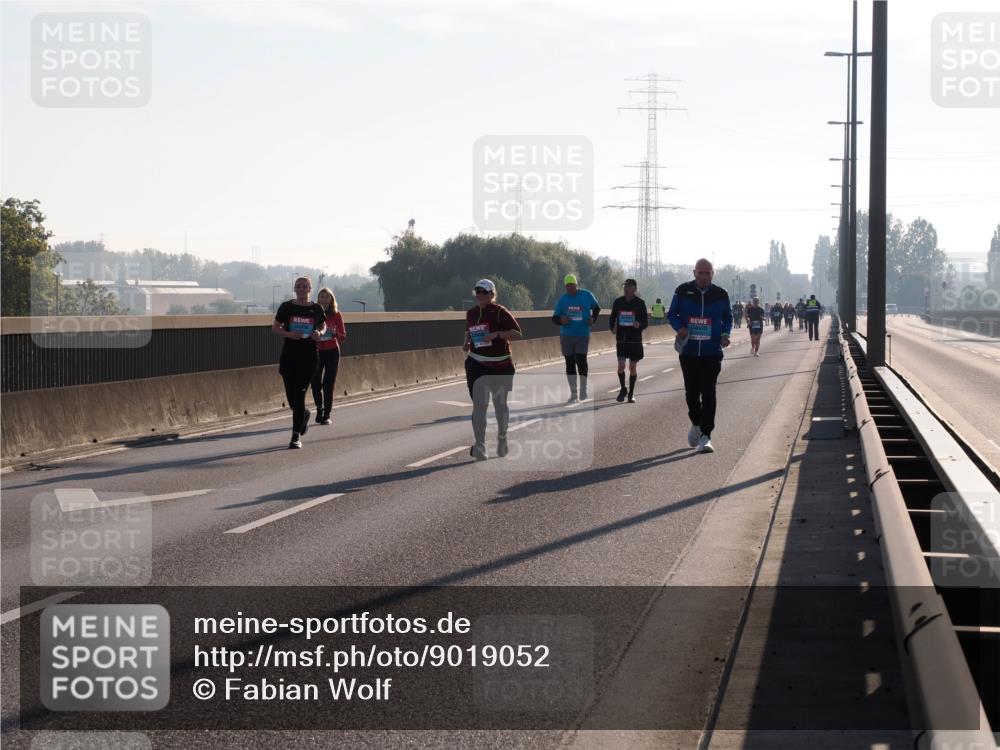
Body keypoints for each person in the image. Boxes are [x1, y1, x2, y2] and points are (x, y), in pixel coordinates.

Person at [667, 259, 732, 454]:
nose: (704, 276)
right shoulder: (682, 291)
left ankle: (706, 436)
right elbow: (672, 314)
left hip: (712, 352)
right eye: (701, 273)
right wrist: (681, 328)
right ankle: (696, 422)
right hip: (689, 352)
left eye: (708, 273)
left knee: (709, 391)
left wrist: (725, 334)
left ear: (713, 274)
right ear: (694, 272)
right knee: (692, 393)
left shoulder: (721, 294)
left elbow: (728, 317)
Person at [464, 279, 522, 460]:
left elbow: (517, 333)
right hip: (477, 364)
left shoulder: (500, 312)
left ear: (492, 294)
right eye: (477, 291)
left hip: (500, 365)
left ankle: (502, 438)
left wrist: (497, 334)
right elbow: (469, 331)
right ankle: (480, 445)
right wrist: (466, 342)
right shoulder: (471, 313)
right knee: (479, 406)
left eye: (483, 291)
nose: (479, 295)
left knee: (499, 406)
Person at [272, 277, 326, 448]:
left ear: (310, 289)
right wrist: (289, 335)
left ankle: (295, 437)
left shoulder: (316, 309)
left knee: (300, 394)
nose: (302, 289)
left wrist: (319, 332)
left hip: (309, 358)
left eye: (305, 286)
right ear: (294, 289)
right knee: (292, 399)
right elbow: (275, 327)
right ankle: (304, 414)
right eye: (299, 286)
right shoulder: (287, 307)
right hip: (289, 357)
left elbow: (323, 326)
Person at [551, 273, 600, 403]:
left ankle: (583, 388)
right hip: (567, 335)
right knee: (570, 363)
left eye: (571, 286)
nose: (569, 289)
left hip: (582, 334)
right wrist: (561, 320)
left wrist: (592, 319)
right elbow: (554, 318)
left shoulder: (586, 295)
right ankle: (573, 393)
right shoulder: (563, 300)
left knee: (581, 360)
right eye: (567, 286)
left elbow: (597, 308)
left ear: (576, 285)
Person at [311, 287, 347, 425]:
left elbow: (343, 337)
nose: (324, 299)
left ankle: (326, 414)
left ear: (331, 299)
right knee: (315, 384)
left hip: (332, 352)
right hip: (317, 351)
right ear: (318, 299)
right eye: (321, 296)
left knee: (328, 384)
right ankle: (319, 408)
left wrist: (334, 333)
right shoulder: (313, 313)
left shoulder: (337, 315)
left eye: (327, 297)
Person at [610, 278, 648, 403]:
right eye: (625, 286)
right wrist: (612, 328)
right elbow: (612, 317)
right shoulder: (618, 302)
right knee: (621, 366)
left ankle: (631, 394)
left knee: (632, 367)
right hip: (621, 339)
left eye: (629, 286)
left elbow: (645, 322)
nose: (626, 289)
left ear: (635, 289)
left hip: (635, 340)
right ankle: (623, 389)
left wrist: (639, 324)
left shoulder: (640, 303)